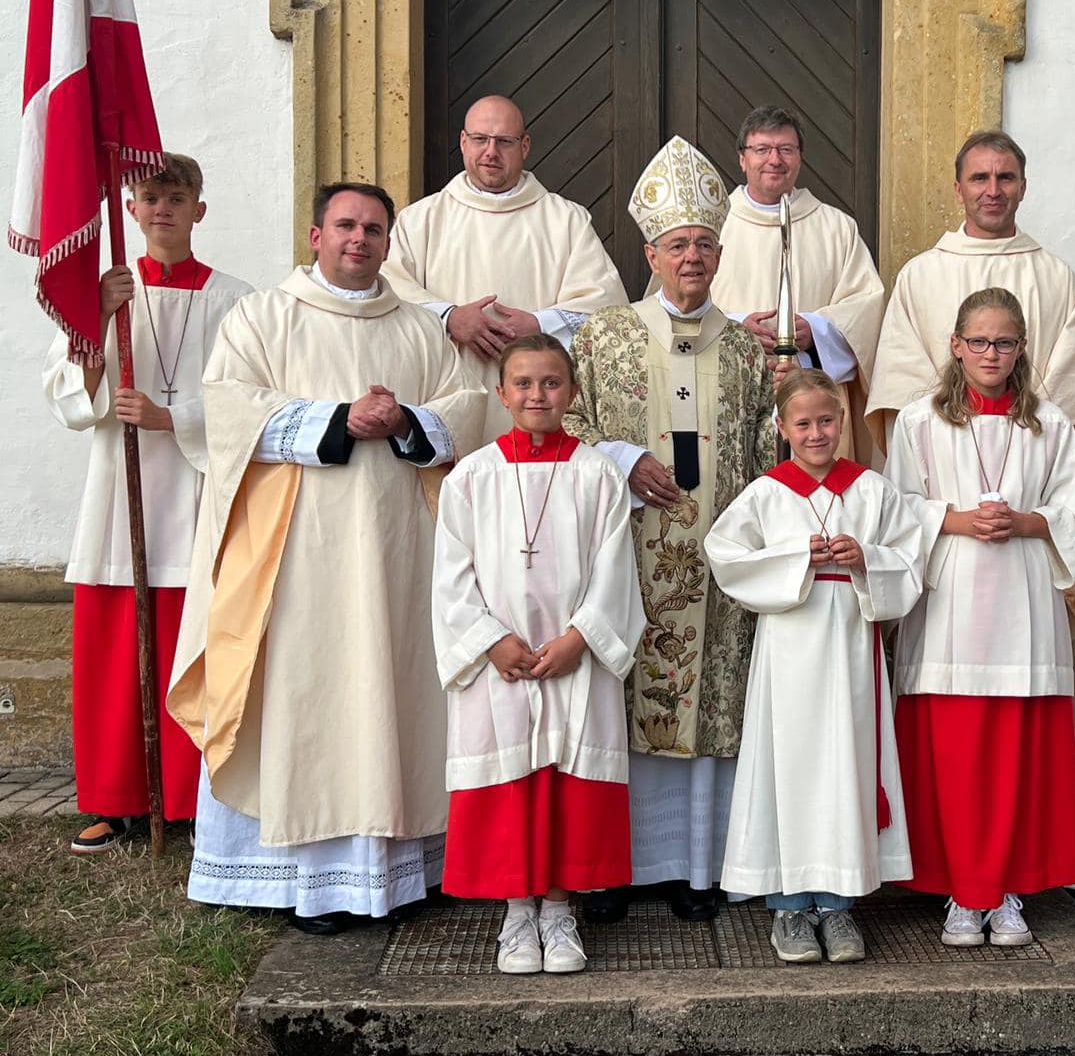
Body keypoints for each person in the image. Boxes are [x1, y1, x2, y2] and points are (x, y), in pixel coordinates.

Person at [168, 182, 485, 932]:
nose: (359, 239)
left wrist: (407, 419)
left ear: (388, 242)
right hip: (297, 558)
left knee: (393, 689)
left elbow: (465, 408)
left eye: (374, 229)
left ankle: (402, 869)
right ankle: (309, 884)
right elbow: (228, 408)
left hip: (399, 553)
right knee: (310, 700)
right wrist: (339, 418)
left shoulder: (417, 327)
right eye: (345, 225)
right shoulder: (265, 316)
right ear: (315, 234)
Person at [564, 136, 777, 923]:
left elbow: (764, 455)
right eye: (678, 243)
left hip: (717, 564)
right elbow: (572, 426)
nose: (693, 256)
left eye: (705, 244)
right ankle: (615, 868)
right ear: (650, 252)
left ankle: (696, 867)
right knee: (622, 699)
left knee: (710, 703)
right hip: (630, 555)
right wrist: (621, 460)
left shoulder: (751, 354)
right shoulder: (604, 336)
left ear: (721, 254)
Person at [42, 153, 252, 853]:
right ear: (129, 209)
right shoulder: (105, 295)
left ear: (199, 209)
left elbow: (251, 400)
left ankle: (192, 801)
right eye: (149, 196)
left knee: (192, 648)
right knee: (114, 656)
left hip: (195, 492)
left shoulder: (237, 301)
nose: (162, 208)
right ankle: (115, 799)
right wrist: (96, 330)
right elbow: (71, 398)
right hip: (119, 495)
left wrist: (176, 419)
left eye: (176, 196)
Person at [884, 287, 1075, 949]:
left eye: (1005, 342)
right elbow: (893, 509)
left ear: (1022, 347)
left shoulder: (1051, 425)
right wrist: (958, 519)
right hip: (949, 603)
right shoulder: (919, 422)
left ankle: (1005, 892)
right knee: (955, 755)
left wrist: (1028, 520)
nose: (991, 354)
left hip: (1024, 602)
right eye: (979, 341)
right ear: (955, 345)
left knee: (1015, 757)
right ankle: (960, 892)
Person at [433, 334, 644, 975]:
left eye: (551, 383)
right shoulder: (472, 475)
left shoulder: (597, 473)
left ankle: (560, 909)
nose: (536, 395)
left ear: (572, 393)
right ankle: (517, 913)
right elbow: (450, 575)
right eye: (522, 383)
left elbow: (616, 569)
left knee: (567, 783)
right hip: (503, 660)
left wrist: (583, 638)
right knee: (512, 780)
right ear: (501, 394)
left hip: (571, 655)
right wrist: (489, 641)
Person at [706, 369, 927, 964]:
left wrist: (866, 559)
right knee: (790, 766)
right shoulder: (766, 493)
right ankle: (789, 907)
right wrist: (794, 557)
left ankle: (837, 904)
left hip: (852, 643)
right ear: (781, 428)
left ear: (844, 421)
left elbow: (909, 561)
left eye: (826, 420)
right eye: (802, 423)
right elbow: (725, 556)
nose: (816, 433)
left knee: (845, 765)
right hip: (790, 646)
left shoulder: (873, 491)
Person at [383, 94, 627, 437]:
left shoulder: (566, 220)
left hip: (541, 406)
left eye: (504, 141)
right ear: (463, 142)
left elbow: (607, 313)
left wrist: (541, 325)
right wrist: (449, 317)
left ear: (525, 146)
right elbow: (387, 297)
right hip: (447, 402)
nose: (491, 152)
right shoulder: (421, 220)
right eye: (480, 139)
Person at [867, 130, 1075, 460]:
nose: (993, 191)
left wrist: (1019, 435)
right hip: (944, 456)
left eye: (1006, 178)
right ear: (959, 189)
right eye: (979, 178)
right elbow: (902, 381)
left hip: (1032, 455)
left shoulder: (1056, 277)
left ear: (1023, 188)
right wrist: (954, 428)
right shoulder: (920, 275)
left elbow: (1071, 382)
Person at [708, 105, 885, 464]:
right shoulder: (711, 226)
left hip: (814, 404)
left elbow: (868, 307)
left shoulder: (836, 228)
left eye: (786, 149)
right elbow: (674, 306)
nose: (774, 159)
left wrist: (816, 331)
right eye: (762, 149)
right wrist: (735, 330)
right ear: (743, 159)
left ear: (800, 158)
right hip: (728, 394)